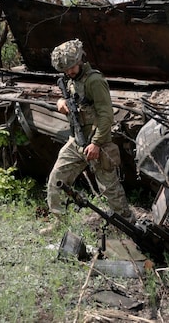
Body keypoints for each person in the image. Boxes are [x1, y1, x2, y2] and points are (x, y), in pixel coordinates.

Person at [41, 39, 134, 235]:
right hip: (76, 142)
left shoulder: (95, 81)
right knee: (56, 179)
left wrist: (96, 143)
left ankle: (127, 226)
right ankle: (59, 222)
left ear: (79, 60)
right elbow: (70, 101)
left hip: (96, 143)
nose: (68, 72)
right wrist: (60, 102)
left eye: (70, 68)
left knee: (110, 189)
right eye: (64, 70)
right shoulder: (71, 80)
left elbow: (106, 115)